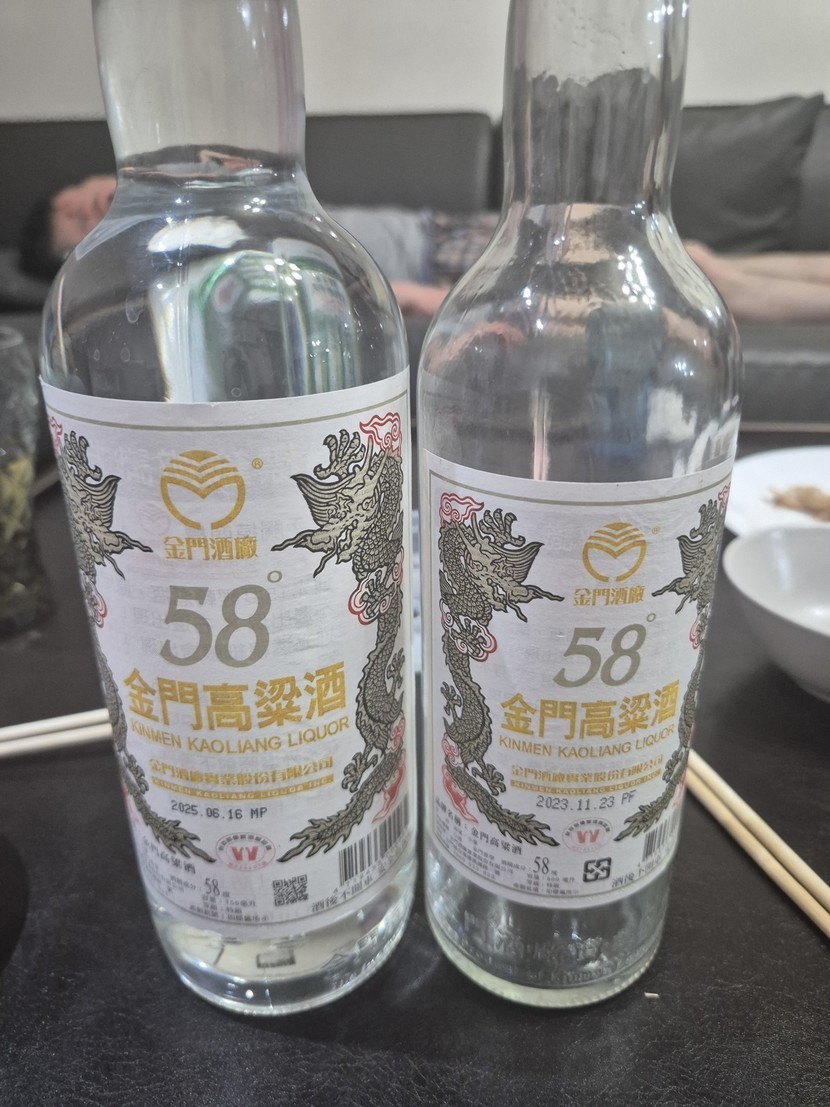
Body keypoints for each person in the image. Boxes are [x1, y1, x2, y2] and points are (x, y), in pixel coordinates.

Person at [19, 174, 830, 325]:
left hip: (451, 229)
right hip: (457, 264)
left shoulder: (223, 184)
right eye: (71, 221)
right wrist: (455, 303)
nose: (79, 202)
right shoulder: (193, 255)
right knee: (688, 266)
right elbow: (342, 286)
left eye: (73, 192)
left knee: (689, 253)